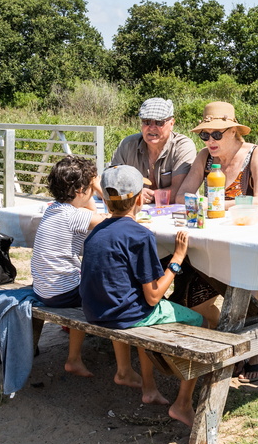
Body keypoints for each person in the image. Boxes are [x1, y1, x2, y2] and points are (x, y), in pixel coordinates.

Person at [80, 165, 205, 427]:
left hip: (96, 312)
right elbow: (153, 297)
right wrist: (178, 259)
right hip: (127, 316)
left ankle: (149, 388)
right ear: (139, 199)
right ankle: (182, 404)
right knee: (200, 322)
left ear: (104, 199)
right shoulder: (140, 235)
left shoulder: (96, 232)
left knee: (139, 308)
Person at [176, 101, 258, 382]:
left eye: (216, 134)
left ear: (233, 132)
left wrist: (215, 204)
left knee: (246, 296)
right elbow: (183, 196)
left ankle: (256, 352)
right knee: (193, 301)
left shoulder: (256, 153)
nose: (210, 140)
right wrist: (214, 205)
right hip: (215, 239)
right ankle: (234, 341)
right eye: (205, 135)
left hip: (253, 240)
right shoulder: (204, 157)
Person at [31, 155, 107, 378]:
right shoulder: (75, 216)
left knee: (85, 281)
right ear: (82, 190)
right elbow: (115, 218)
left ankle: (74, 357)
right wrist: (100, 188)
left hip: (43, 289)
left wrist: (89, 186)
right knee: (106, 288)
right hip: (63, 292)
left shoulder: (53, 209)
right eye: (90, 187)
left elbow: (91, 213)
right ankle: (75, 358)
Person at [111, 97, 196, 204]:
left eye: (159, 122)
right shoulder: (128, 145)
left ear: (172, 123)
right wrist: (136, 194)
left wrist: (133, 195)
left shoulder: (183, 146)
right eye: (146, 122)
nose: (151, 128)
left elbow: (179, 192)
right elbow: (109, 183)